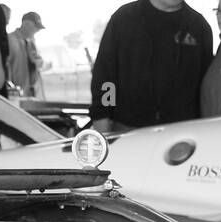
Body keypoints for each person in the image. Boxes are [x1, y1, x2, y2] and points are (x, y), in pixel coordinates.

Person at [89, 0, 213, 133]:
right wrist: (103, 118)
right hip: (127, 130)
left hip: (182, 133)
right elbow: (106, 78)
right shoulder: (124, 19)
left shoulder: (198, 26)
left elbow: (205, 87)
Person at [8, 11, 44, 98]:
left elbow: (37, 63)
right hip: (16, 94)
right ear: (25, 24)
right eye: (35, 27)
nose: (37, 30)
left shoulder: (31, 42)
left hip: (31, 93)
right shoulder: (10, 40)